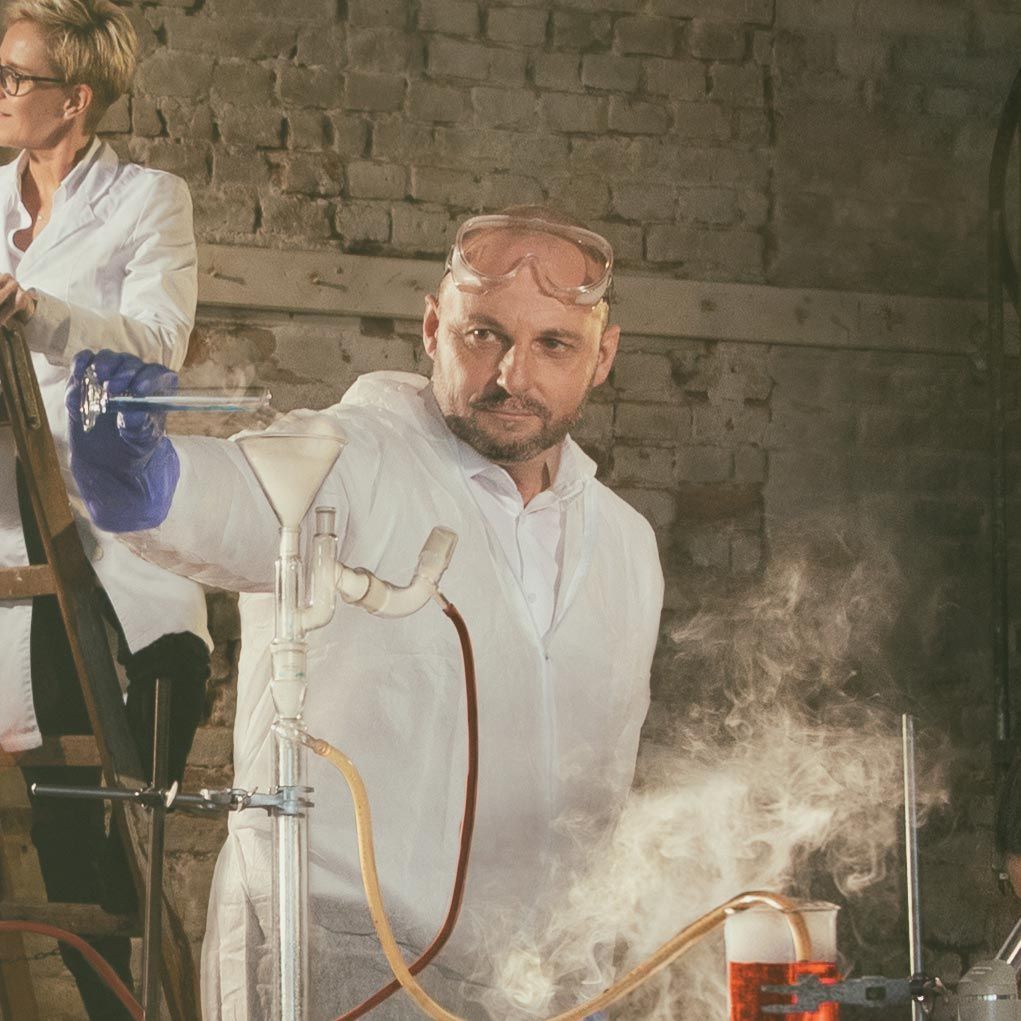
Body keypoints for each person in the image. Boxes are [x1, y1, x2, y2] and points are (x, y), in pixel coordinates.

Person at [67, 209, 664, 1019]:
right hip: (340, 945)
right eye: (483, 334)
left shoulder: (625, 543)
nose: (511, 374)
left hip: (543, 972)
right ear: (432, 327)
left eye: (553, 343)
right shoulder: (358, 457)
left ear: (603, 356)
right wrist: (142, 480)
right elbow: (239, 503)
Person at [0, 1, 211, 1016]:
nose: (0, 92)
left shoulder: (145, 200)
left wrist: (35, 313)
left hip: (91, 501)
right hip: (9, 517)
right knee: (57, 808)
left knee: (114, 791)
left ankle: (124, 999)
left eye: (16, 77)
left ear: (74, 100)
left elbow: (160, 342)